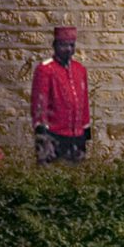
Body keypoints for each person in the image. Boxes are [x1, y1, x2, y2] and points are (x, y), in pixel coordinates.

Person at [31, 23, 91, 163]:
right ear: (55, 45)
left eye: (72, 45)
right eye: (64, 45)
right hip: (53, 135)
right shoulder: (45, 69)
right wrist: (43, 135)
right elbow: (40, 104)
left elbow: (85, 102)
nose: (68, 49)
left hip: (76, 135)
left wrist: (85, 131)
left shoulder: (80, 69)